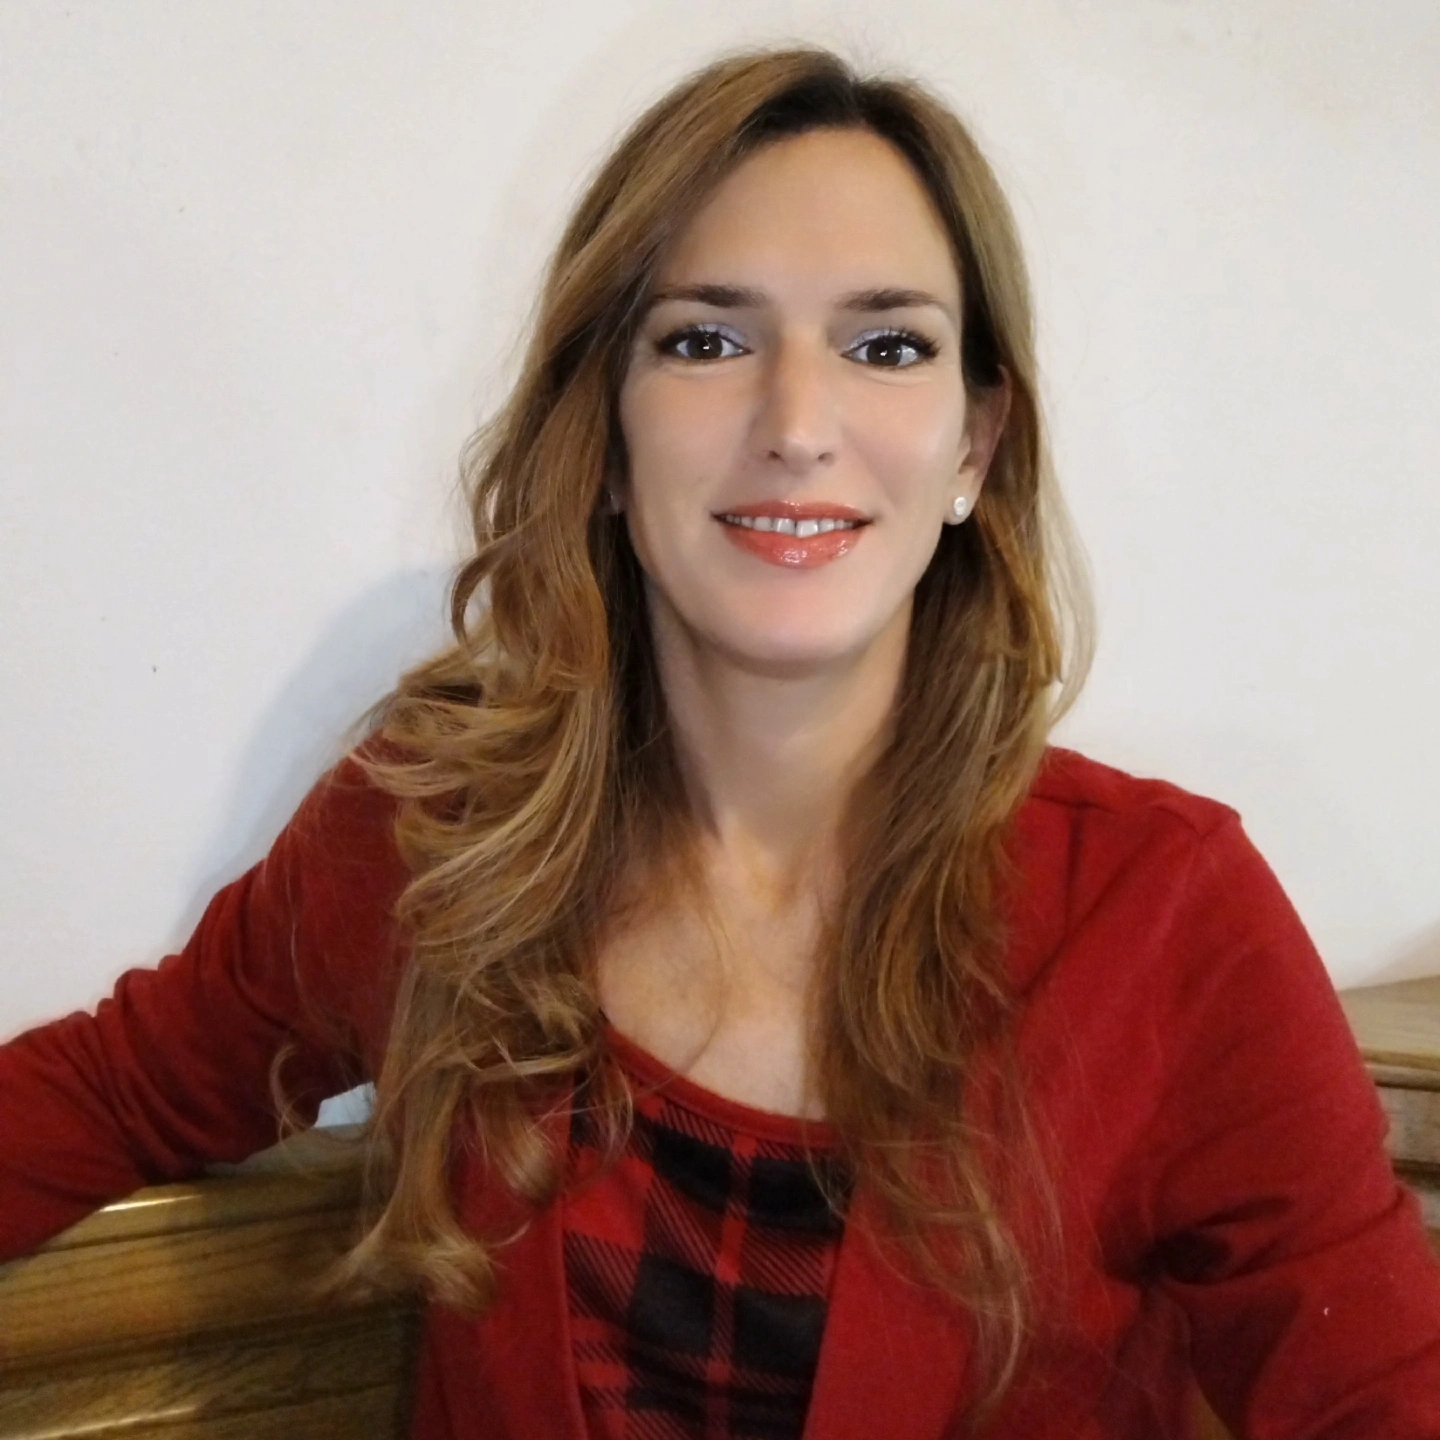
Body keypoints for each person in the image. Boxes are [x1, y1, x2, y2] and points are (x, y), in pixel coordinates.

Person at [1, 44, 1437, 1440]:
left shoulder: (1169, 919)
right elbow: (116, 1091)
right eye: (705, 339)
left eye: (887, 345)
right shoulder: (433, 833)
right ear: (605, 438)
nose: (797, 423)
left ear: (975, 445)